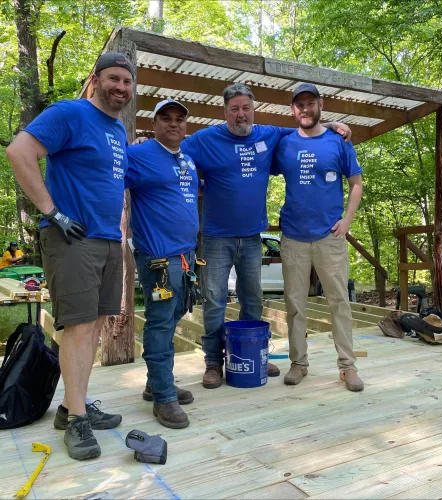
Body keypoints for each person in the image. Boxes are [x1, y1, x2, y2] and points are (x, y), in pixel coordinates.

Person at [6, 52, 135, 460]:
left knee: (94, 326)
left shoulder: (117, 130)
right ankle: (77, 421)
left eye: (127, 82)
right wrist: (52, 212)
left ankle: (70, 407)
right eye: (113, 78)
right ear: (95, 80)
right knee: (78, 327)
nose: (121, 87)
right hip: (72, 238)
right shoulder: (70, 114)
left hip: (107, 240)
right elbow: (18, 152)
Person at [181, 83, 352, 389]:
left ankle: (255, 355)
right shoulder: (205, 139)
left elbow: (304, 128)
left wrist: (330, 124)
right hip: (215, 237)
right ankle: (213, 363)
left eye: (246, 108)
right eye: (234, 109)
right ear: (225, 112)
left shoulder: (268, 134)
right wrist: (146, 142)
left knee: (253, 300)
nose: (241, 114)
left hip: (251, 237)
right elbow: (174, 150)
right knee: (215, 301)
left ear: (253, 110)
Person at [271, 83, 364, 391]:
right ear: (292, 110)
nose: (305, 109)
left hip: (329, 237)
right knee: (295, 303)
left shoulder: (338, 142)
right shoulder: (284, 144)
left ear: (320, 105)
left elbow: (356, 184)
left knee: (339, 301)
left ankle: (347, 366)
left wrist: (347, 221)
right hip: (294, 237)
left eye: (310, 103)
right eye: (299, 105)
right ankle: (299, 363)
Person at [126, 99, 198, 429]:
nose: (173, 124)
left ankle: (156, 382)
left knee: (172, 318)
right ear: (154, 123)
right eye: (166, 118)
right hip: (157, 258)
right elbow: (110, 186)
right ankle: (164, 398)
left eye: (179, 119)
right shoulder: (138, 155)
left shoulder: (186, 158)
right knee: (159, 322)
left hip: (184, 257)